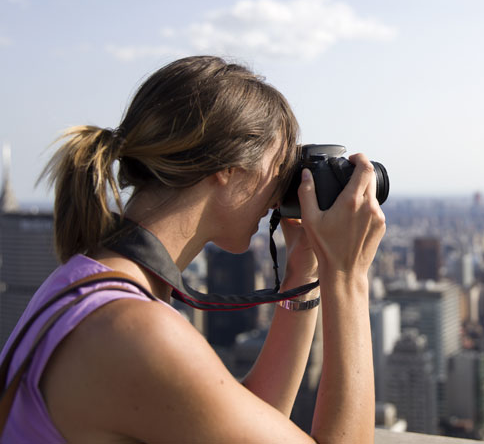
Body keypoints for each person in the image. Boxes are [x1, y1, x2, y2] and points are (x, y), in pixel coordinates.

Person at [0, 56, 385, 443]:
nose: (279, 190)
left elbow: (240, 421)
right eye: (279, 165)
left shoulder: (83, 283)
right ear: (227, 167)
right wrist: (348, 276)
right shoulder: (135, 331)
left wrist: (304, 271)